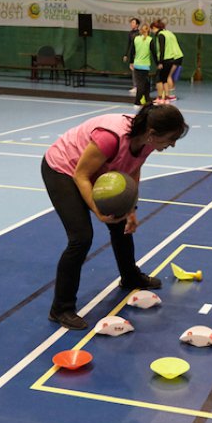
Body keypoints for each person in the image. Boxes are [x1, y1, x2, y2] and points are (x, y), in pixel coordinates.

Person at [41, 104, 189, 330]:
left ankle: (130, 277)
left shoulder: (147, 142)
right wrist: (97, 211)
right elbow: (81, 175)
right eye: (170, 138)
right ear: (152, 134)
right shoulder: (110, 137)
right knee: (81, 237)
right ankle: (61, 308)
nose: (173, 144)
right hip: (63, 170)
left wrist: (131, 209)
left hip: (95, 170)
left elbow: (133, 170)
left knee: (121, 224)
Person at [151, 20, 183, 104]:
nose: (152, 31)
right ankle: (167, 97)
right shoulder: (169, 33)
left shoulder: (161, 35)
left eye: (152, 29)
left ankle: (163, 96)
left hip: (167, 58)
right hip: (174, 57)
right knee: (166, 78)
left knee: (162, 78)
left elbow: (162, 49)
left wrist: (160, 62)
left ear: (155, 28)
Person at [129, 23, 154, 107]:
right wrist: (159, 63)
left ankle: (147, 99)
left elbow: (131, 51)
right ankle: (137, 102)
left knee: (146, 83)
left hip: (137, 65)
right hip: (145, 66)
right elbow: (154, 53)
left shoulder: (135, 39)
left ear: (140, 31)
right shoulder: (150, 40)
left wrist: (131, 62)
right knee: (141, 84)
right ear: (149, 31)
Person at [122, 17, 140, 94]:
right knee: (133, 70)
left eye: (133, 23)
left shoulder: (140, 33)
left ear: (137, 25)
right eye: (131, 23)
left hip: (139, 55)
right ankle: (135, 86)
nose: (131, 24)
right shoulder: (130, 33)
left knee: (138, 71)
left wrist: (138, 53)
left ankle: (139, 86)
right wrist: (126, 54)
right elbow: (129, 44)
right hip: (132, 54)